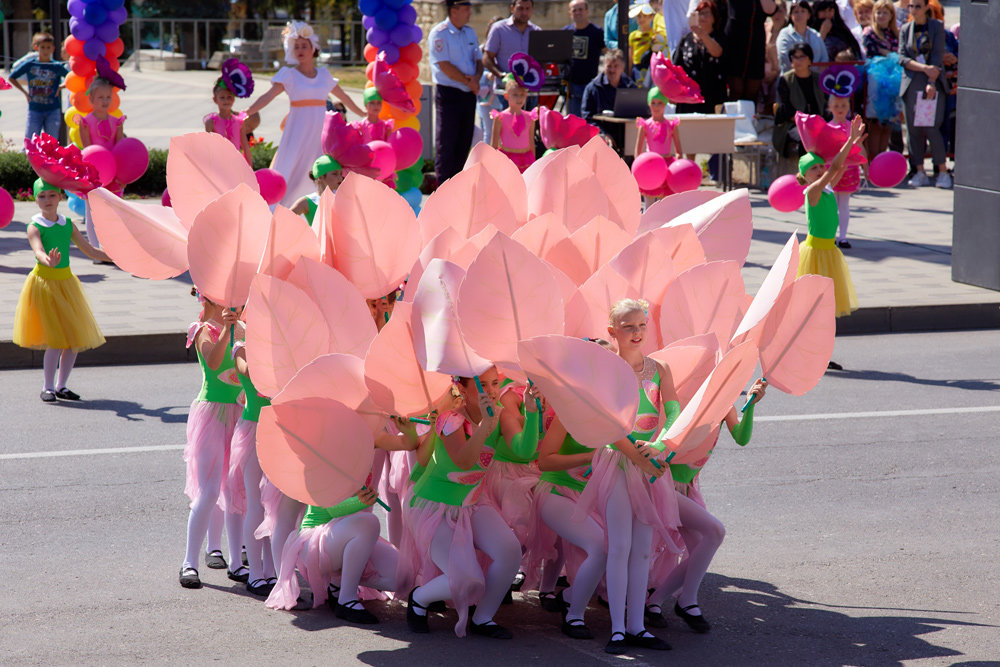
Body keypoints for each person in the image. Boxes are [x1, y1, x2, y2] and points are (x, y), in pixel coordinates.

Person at [572, 298, 679, 655]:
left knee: (643, 551)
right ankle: (618, 629)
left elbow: (676, 413)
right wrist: (640, 456)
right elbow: (606, 426)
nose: (637, 333)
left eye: (642, 326)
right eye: (629, 326)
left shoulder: (660, 368)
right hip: (618, 462)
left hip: (651, 463)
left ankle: (637, 627)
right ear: (612, 331)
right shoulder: (602, 370)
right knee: (619, 547)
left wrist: (661, 445)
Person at [400, 370, 522, 639]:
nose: (490, 391)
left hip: (474, 503)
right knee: (469, 580)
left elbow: (525, 452)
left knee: (509, 550)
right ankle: (419, 599)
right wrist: (485, 428)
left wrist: (535, 412)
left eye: (494, 384)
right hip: (432, 508)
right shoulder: (449, 418)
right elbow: (464, 461)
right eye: (482, 385)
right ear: (461, 389)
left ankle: (483, 618)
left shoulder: (500, 414)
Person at [644, 379, 767, 632]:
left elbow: (741, 438)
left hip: (686, 489)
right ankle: (687, 600)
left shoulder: (723, 404)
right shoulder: (687, 401)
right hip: (664, 486)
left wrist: (751, 404)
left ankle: (654, 602)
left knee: (699, 548)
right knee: (715, 532)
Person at [244, 22, 364, 207]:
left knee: (316, 166)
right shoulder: (289, 75)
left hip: (319, 131)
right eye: (296, 46)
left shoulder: (324, 75)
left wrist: (362, 113)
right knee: (289, 164)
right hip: (297, 130)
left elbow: (345, 97)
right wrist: (247, 112)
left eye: (304, 46)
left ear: (313, 48)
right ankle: (278, 210)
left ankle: (314, 209)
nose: (300, 50)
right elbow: (267, 96)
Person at [12, 179, 110, 403]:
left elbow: (91, 251)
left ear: (60, 197)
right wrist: (48, 260)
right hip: (44, 286)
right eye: (42, 196)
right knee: (56, 340)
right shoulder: (34, 226)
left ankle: (62, 386)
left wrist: (115, 257)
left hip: (66, 284)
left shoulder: (67, 224)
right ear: (35, 200)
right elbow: (38, 250)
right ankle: (47, 387)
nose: (47, 200)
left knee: (73, 341)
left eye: (52, 195)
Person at [178, 298, 245, 589]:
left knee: (235, 489)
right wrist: (229, 333)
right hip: (213, 413)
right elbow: (215, 362)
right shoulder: (203, 329)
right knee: (208, 491)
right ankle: (189, 563)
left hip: (242, 413)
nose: (238, 304)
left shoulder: (244, 329)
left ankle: (237, 562)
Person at [796, 115, 866, 319]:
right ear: (804, 175)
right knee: (811, 300)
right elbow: (835, 167)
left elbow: (841, 166)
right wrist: (848, 140)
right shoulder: (813, 191)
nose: (819, 170)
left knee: (825, 302)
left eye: (820, 166)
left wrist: (853, 145)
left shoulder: (826, 189)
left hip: (829, 250)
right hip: (816, 251)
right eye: (813, 168)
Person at [428, 0, 484, 184]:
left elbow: (478, 60)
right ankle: (443, 188)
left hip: (469, 93)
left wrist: (475, 78)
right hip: (449, 93)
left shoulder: (469, 32)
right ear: (454, 10)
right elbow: (444, 66)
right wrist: (470, 81)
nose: (469, 13)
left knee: (464, 142)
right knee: (447, 143)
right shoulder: (439, 33)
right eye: (466, 9)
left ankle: (458, 186)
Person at [898, 0, 950, 188]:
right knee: (913, 130)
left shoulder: (936, 27)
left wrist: (931, 79)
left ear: (927, 7)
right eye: (911, 6)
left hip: (931, 83)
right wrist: (924, 68)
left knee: (930, 127)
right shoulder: (905, 28)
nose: (914, 10)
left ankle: (942, 171)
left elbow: (936, 56)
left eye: (918, 6)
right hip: (912, 83)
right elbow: (902, 57)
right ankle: (919, 170)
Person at [7, 32, 68, 140]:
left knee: (52, 141)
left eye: (48, 47)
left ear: (52, 49)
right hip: (34, 109)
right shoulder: (30, 64)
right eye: (42, 47)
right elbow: (12, 77)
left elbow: (70, 78)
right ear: (36, 48)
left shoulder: (56, 66)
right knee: (30, 140)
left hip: (53, 109)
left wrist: (60, 87)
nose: (45, 51)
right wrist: (25, 93)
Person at [773, 43, 828, 157]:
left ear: (810, 59)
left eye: (802, 57)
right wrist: (807, 124)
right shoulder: (786, 80)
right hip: (794, 124)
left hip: (819, 122)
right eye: (794, 57)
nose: (798, 61)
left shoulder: (819, 79)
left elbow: (826, 105)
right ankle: (806, 172)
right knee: (807, 137)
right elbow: (786, 110)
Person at [674, 0, 727, 114]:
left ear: (714, 18)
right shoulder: (686, 39)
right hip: (688, 98)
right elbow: (676, 66)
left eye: (706, 13)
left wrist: (701, 33)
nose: (702, 17)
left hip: (712, 96)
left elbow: (717, 52)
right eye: (699, 13)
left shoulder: (719, 36)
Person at [862, 0, 900, 158]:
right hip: (876, 80)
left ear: (891, 15)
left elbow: (899, 54)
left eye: (885, 12)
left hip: (894, 81)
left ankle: (882, 159)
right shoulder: (869, 32)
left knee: (888, 123)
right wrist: (889, 54)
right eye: (878, 12)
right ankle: (872, 160)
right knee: (875, 121)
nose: (881, 16)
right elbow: (872, 53)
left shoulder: (895, 34)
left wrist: (888, 54)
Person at [826, 94, 864, 247]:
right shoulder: (828, 127)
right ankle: (831, 235)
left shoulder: (851, 127)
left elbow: (859, 148)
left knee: (844, 204)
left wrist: (865, 167)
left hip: (848, 169)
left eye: (843, 106)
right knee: (832, 204)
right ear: (830, 107)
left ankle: (843, 236)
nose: (840, 109)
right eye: (836, 106)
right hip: (833, 169)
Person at [581, 49, 637, 149]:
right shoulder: (592, 88)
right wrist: (603, 134)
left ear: (622, 68)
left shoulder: (631, 87)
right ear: (604, 67)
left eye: (616, 66)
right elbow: (587, 117)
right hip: (602, 137)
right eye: (609, 66)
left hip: (627, 137)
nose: (612, 70)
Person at [724, 0, 778, 101]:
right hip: (736, 40)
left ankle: (750, 115)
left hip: (756, 41)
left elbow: (770, 9)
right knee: (736, 89)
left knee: (752, 90)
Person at [483, 0, 542, 84]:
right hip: (505, 89)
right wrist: (501, 75)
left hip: (530, 89)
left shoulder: (537, 31)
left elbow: (542, 60)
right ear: (512, 9)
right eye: (520, 8)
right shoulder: (499, 29)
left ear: (532, 10)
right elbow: (487, 58)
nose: (524, 13)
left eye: (527, 8)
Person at [563, 0, 606, 117]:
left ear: (587, 11)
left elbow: (608, 53)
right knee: (573, 123)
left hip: (591, 85)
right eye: (574, 10)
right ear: (570, 13)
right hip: (572, 86)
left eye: (580, 9)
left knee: (590, 122)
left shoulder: (597, 32)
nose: (577, 13)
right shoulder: (565, 32)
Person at [490, 77, 538, 172]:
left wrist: (534, 163)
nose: (519, 98)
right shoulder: (500, 117)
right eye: (515, 95)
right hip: (507, 158)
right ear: (507, 96)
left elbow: (531, 141)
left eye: (522, 95)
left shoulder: (530, 117)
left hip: (526, 159)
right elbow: (494, 144)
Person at [205, 77, 252, 164]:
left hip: (235, 164)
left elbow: (245, 146)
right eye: (222, 98)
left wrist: (250, 168)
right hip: (218, 164)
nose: (226, 100)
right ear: (215, 100)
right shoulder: (211, 122)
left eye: (229, 97)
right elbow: (208, 147)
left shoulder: (239, 122)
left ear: (233, 99)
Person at [776, 0, 829, 73]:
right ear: (791, 16)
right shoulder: (784, 34)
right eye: (796, 12)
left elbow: (824, 59)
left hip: (815, 79)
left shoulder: (816, 35)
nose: (799, 15)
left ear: (808, 15)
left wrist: (814, 77)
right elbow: (785, 60)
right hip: (791, 79)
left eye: (803, 11)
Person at [290, 155, 344, 226]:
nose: (340, 178)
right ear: (320, 177)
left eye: (340, 174)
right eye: (335, 174)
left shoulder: (345, 198)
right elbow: (282, 222)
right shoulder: (307, 202)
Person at [635, 87, 683, 160]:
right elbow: (637, 154)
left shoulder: (671, 126)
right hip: (651, 163)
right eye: (653, 103)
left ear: (665, 104)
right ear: (649, 104)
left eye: (660, 103)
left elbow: (679, 152)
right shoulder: (645, 125)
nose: (656, 107)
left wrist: (677, 163)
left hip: (667, 163)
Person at [628, 4, 668, 83]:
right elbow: (630, 55)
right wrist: (628, 72)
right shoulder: (633, 35)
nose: (642, 19)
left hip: (650, 66)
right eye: (639, 16)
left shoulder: (654, 34)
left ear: (651, 17)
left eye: (645, 16)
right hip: (636, 67)